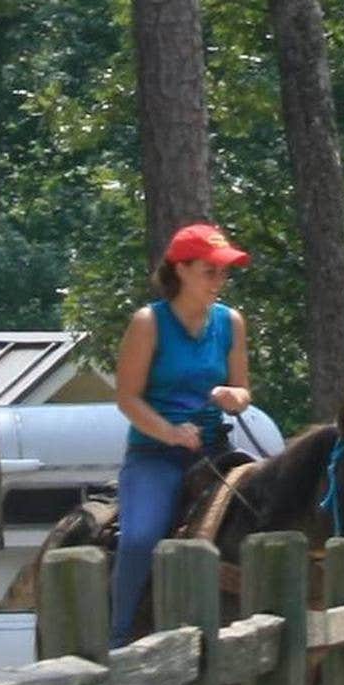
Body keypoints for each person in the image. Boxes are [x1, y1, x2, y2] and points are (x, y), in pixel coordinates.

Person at [110, 221, 253, 647]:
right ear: (181, 270)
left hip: (217, 451)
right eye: (210, 270)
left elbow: (244, 390)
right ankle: (118, 638)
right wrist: (170, 432)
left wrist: (234, 396)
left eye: (224, 271)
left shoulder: (231, 322)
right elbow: (127, 398)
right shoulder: (148, 323)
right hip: (156, 455)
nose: (220, 280)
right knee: (139, 537)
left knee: (269, 510)